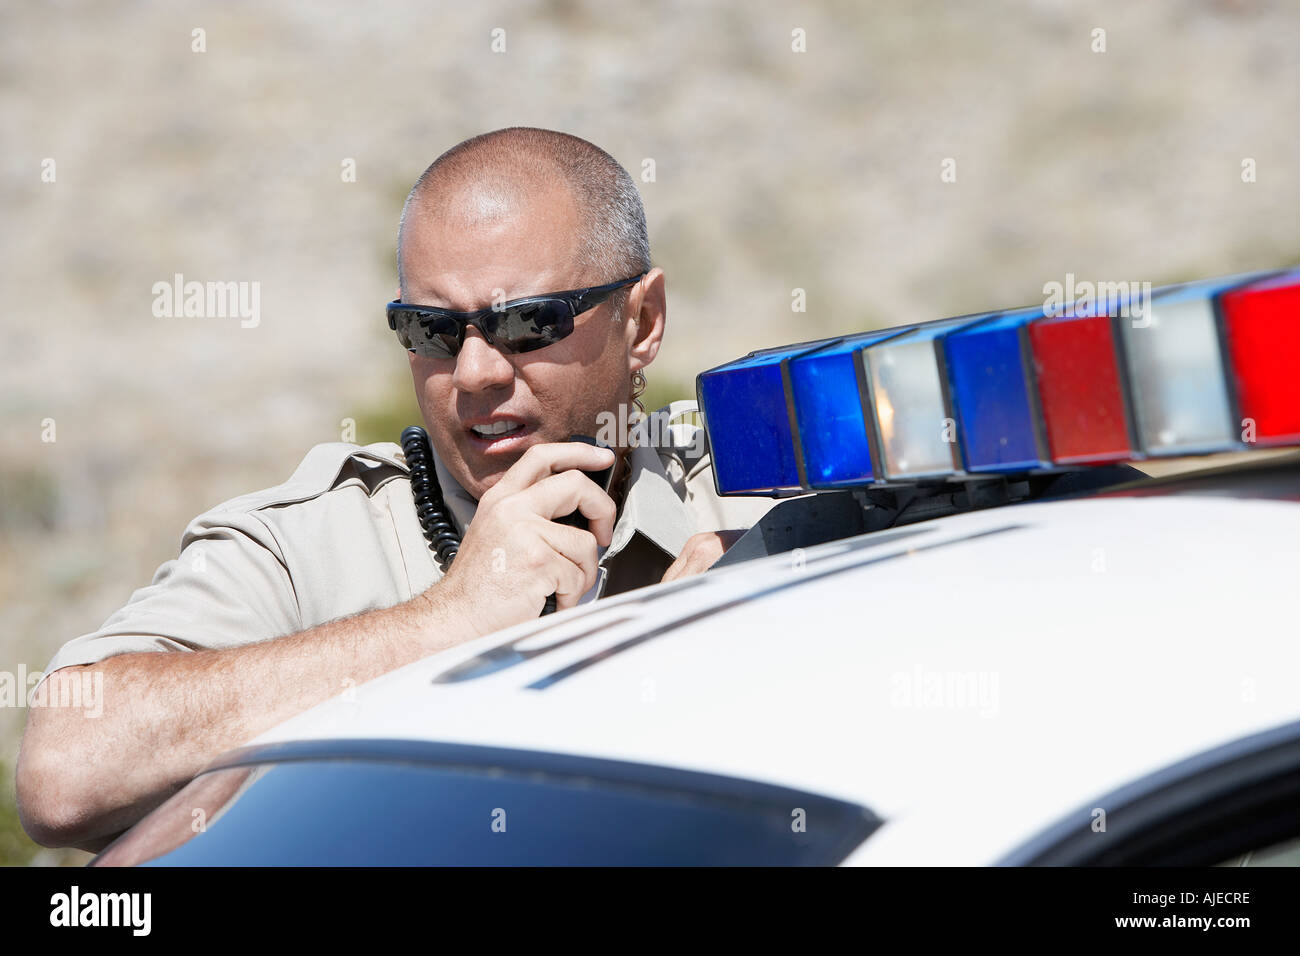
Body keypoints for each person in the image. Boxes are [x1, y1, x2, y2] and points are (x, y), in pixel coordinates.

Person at [16, 127, 774, 851]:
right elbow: (64, 770)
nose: (474, 373)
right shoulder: (313, 541)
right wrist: (446, 620)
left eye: (528, 322)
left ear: (642, 321)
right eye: (432, 331)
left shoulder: (760, 477)